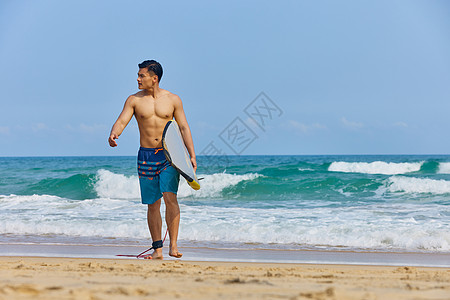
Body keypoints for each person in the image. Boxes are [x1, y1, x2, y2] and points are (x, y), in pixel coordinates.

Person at [108, 60, 196, 259]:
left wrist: (191, 155)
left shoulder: (173, 100)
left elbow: (183, 127)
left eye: (142, 76)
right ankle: (158, 250)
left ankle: (173, 246)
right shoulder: (134, 100)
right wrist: (114, 133)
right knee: (153, 203)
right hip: (146, 156)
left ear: (154, 78)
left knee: (170, 197)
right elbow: (122, 120)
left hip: (169, 156)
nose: (138, 79)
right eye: (138, 75)